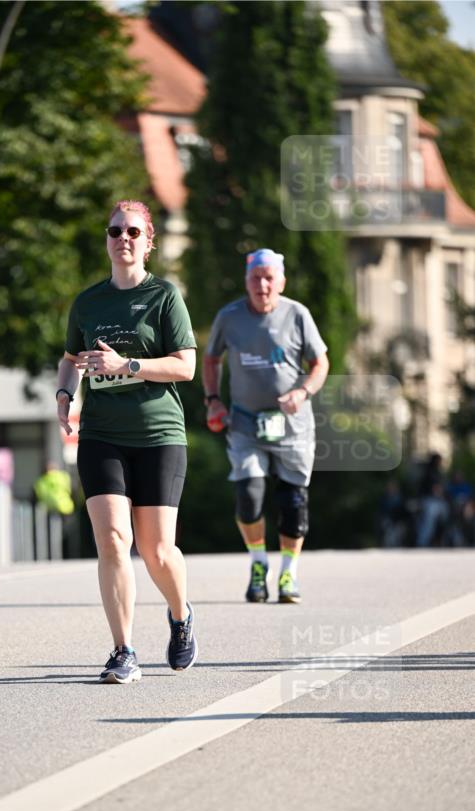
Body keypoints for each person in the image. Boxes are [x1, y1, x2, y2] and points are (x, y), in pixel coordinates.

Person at [56, 200, 198, 684]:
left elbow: (185, 366)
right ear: (107, 240)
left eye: (133, 231)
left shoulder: (164, 297)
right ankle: (123, 650)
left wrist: (127, 366)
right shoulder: (88, 302)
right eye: (115, 231)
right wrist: (63, 393)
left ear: (149, 240)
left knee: (157, 550)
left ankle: (180, 615)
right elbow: (71, 357)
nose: (124, 239)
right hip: (101, 435)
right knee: (115, 541)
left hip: (159, 434)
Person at [203, 248, 329, 604]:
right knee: (249, 496)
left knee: (292, 503)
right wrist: (213, 399)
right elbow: (211, 358)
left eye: (269, 277)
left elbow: (320, 362)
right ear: (246, 281)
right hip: (244, 422)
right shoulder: (229, 317)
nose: (262, 284)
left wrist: (302, 392)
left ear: (281, 281)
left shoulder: (297, 314)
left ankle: (289, 573)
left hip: (292, 425)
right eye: (256, 278)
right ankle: (259, 564)